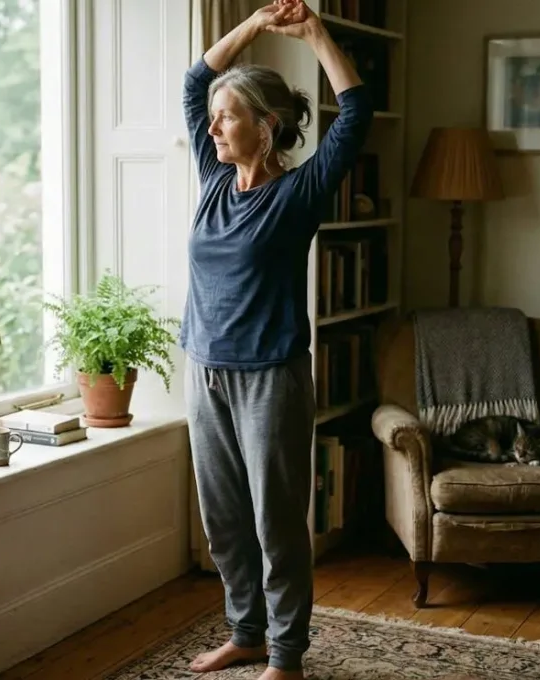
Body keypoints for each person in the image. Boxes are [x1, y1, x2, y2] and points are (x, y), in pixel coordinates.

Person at [179, 1, 373, 678]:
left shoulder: (299, 195)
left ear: (265, 128)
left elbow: (355, 117)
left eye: (228, 118)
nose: (212, 127)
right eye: (215, 119)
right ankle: (247, 633)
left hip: (270, 378)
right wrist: (255, 27)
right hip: (203, 371)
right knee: (225, 521)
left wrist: (314, 32)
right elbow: (192, 84)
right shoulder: (212, 181)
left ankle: (286, 654)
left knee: (277, 524)